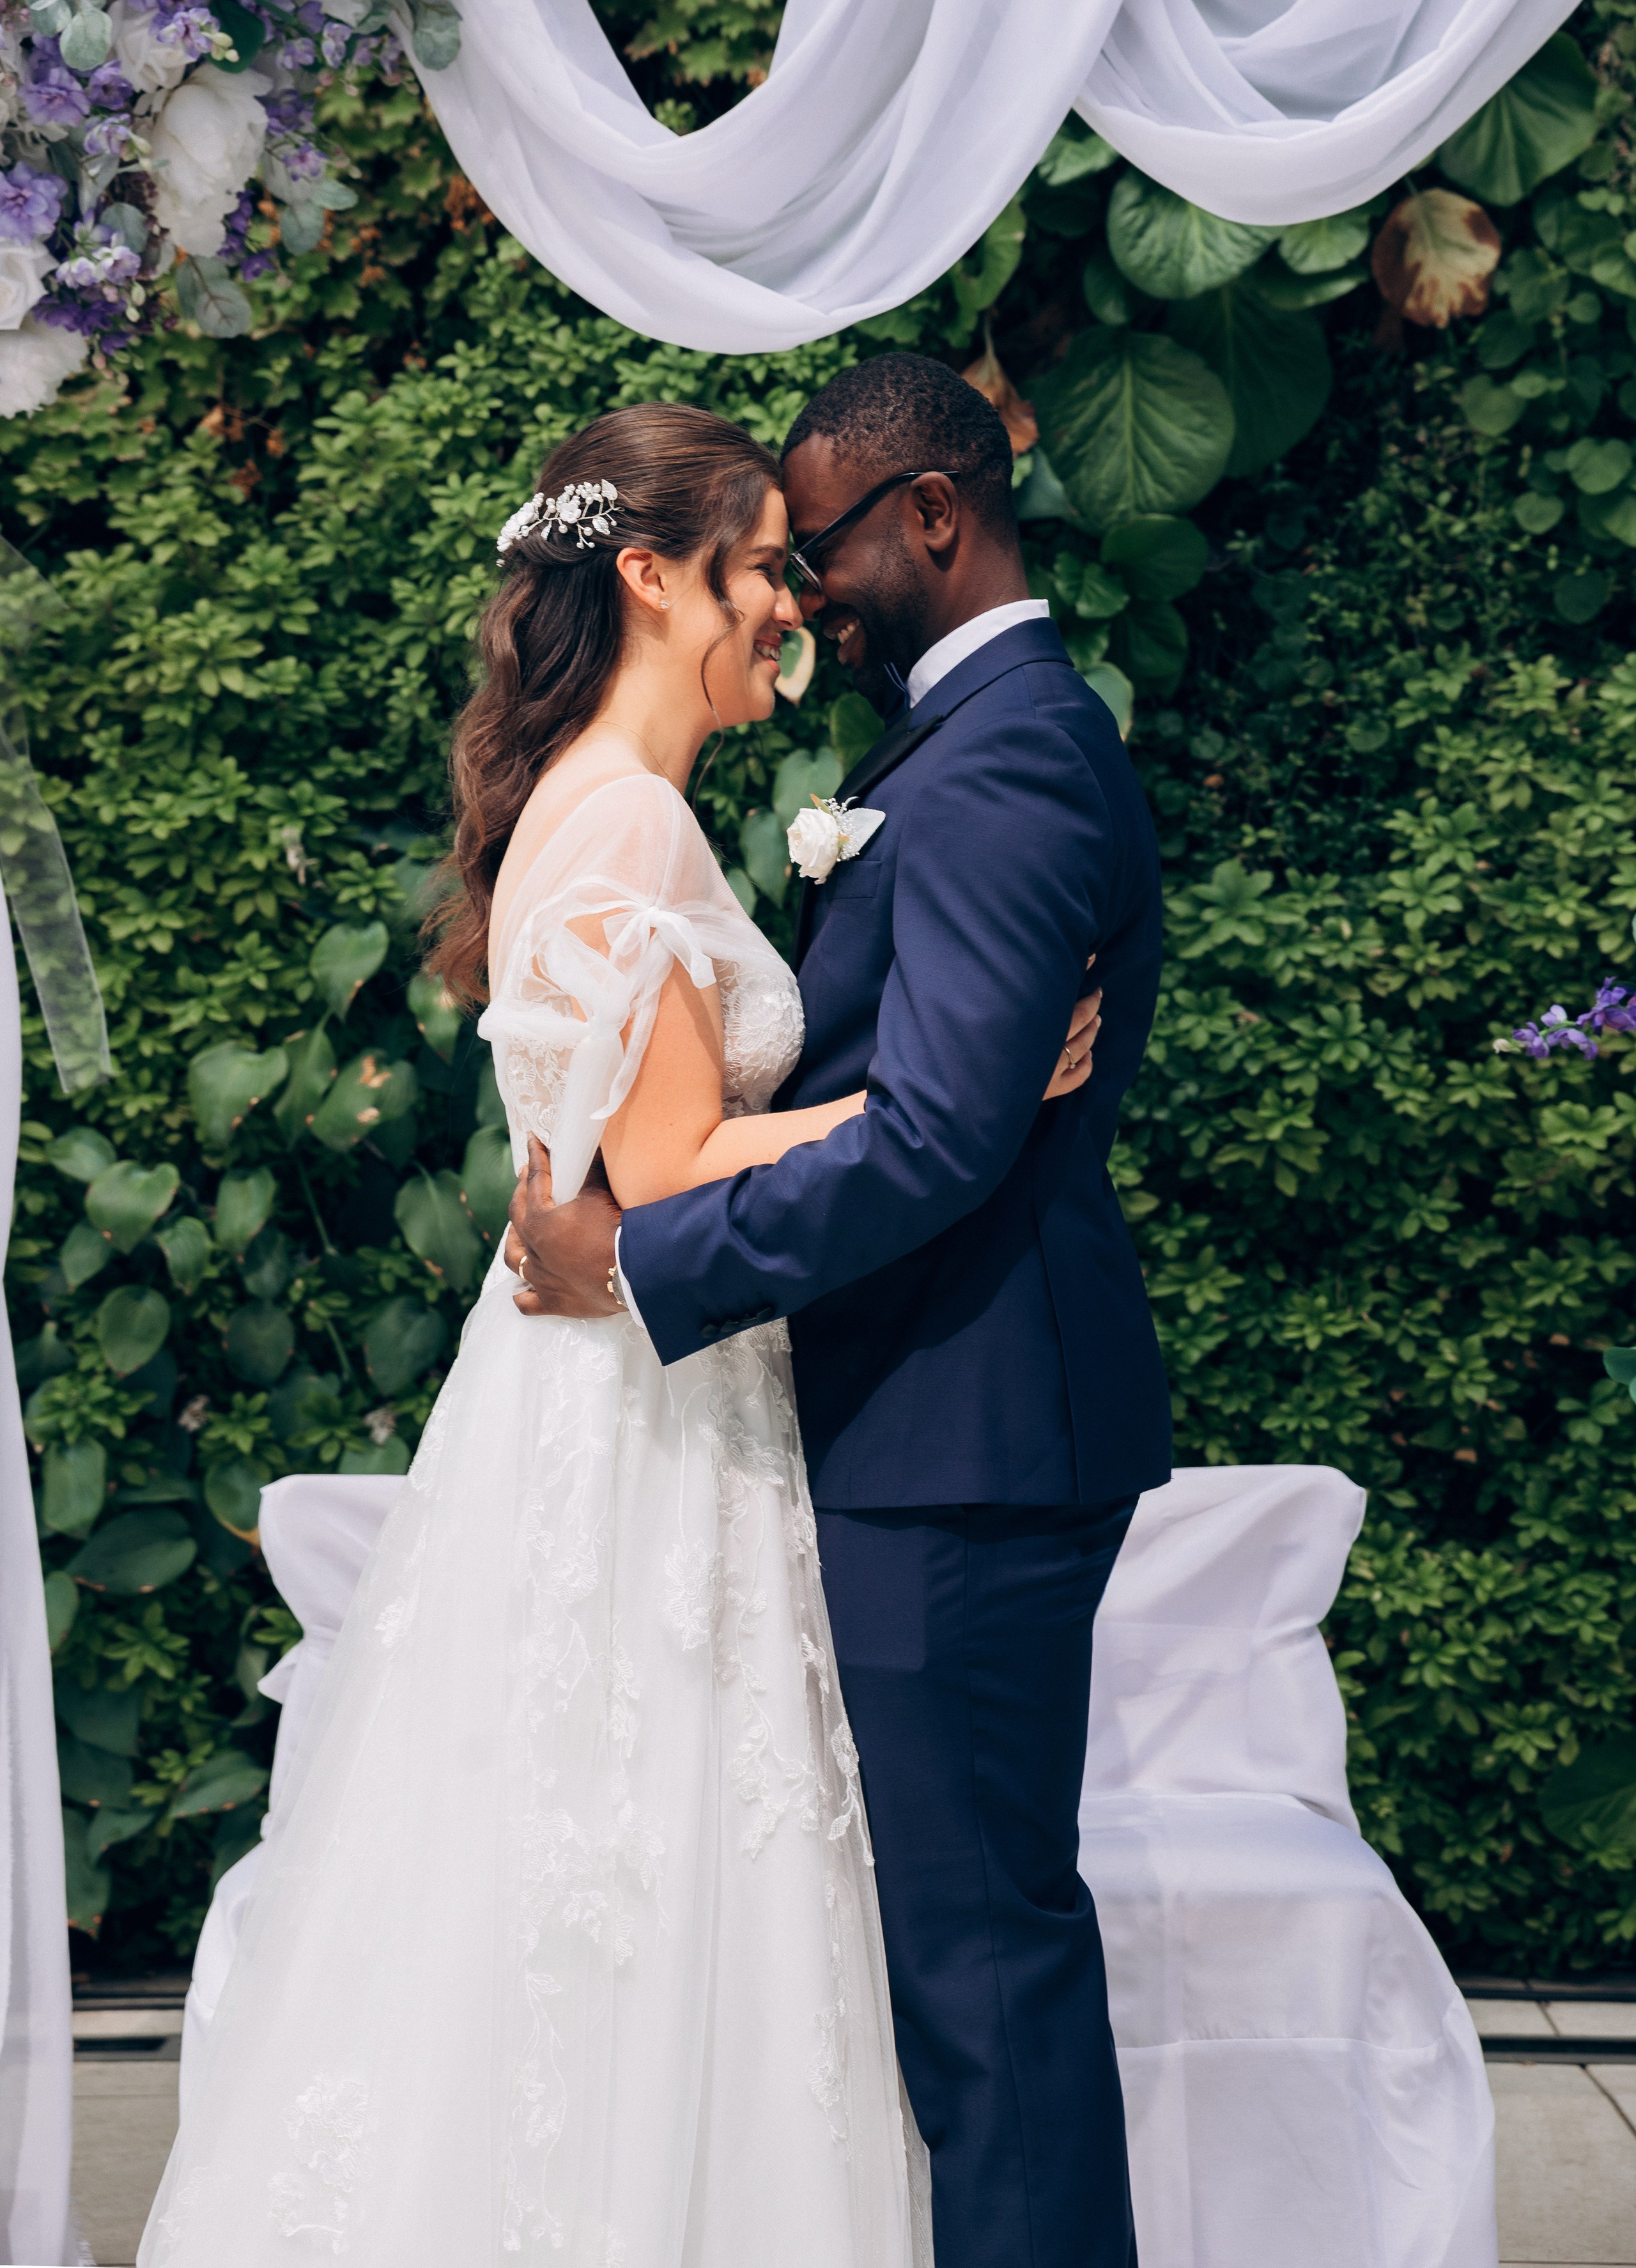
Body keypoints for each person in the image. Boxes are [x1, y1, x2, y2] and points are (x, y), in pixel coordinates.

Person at [139, 400, 1092, 2268]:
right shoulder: (628, 817)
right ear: (649, 578)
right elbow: (663, 1169)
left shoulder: (604, 803)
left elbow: (644, 1156)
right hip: (646, 1410)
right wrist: (937, 1097)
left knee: (605, 1881)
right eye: (756, 569)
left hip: (632, 1380)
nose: (791, 612)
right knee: (640, 1879)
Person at [506, 353, 1174, 2268]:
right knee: (962, 1976)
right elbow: (931, 1109)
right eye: (770, 563)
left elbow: (944, 1140)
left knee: (982, 1979)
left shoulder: (1010, 751)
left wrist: (643, 1264)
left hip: (969, 1436)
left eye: (827, 550)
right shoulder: (975, 745)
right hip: (928, 1424)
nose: (806, 596)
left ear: (937, 518)